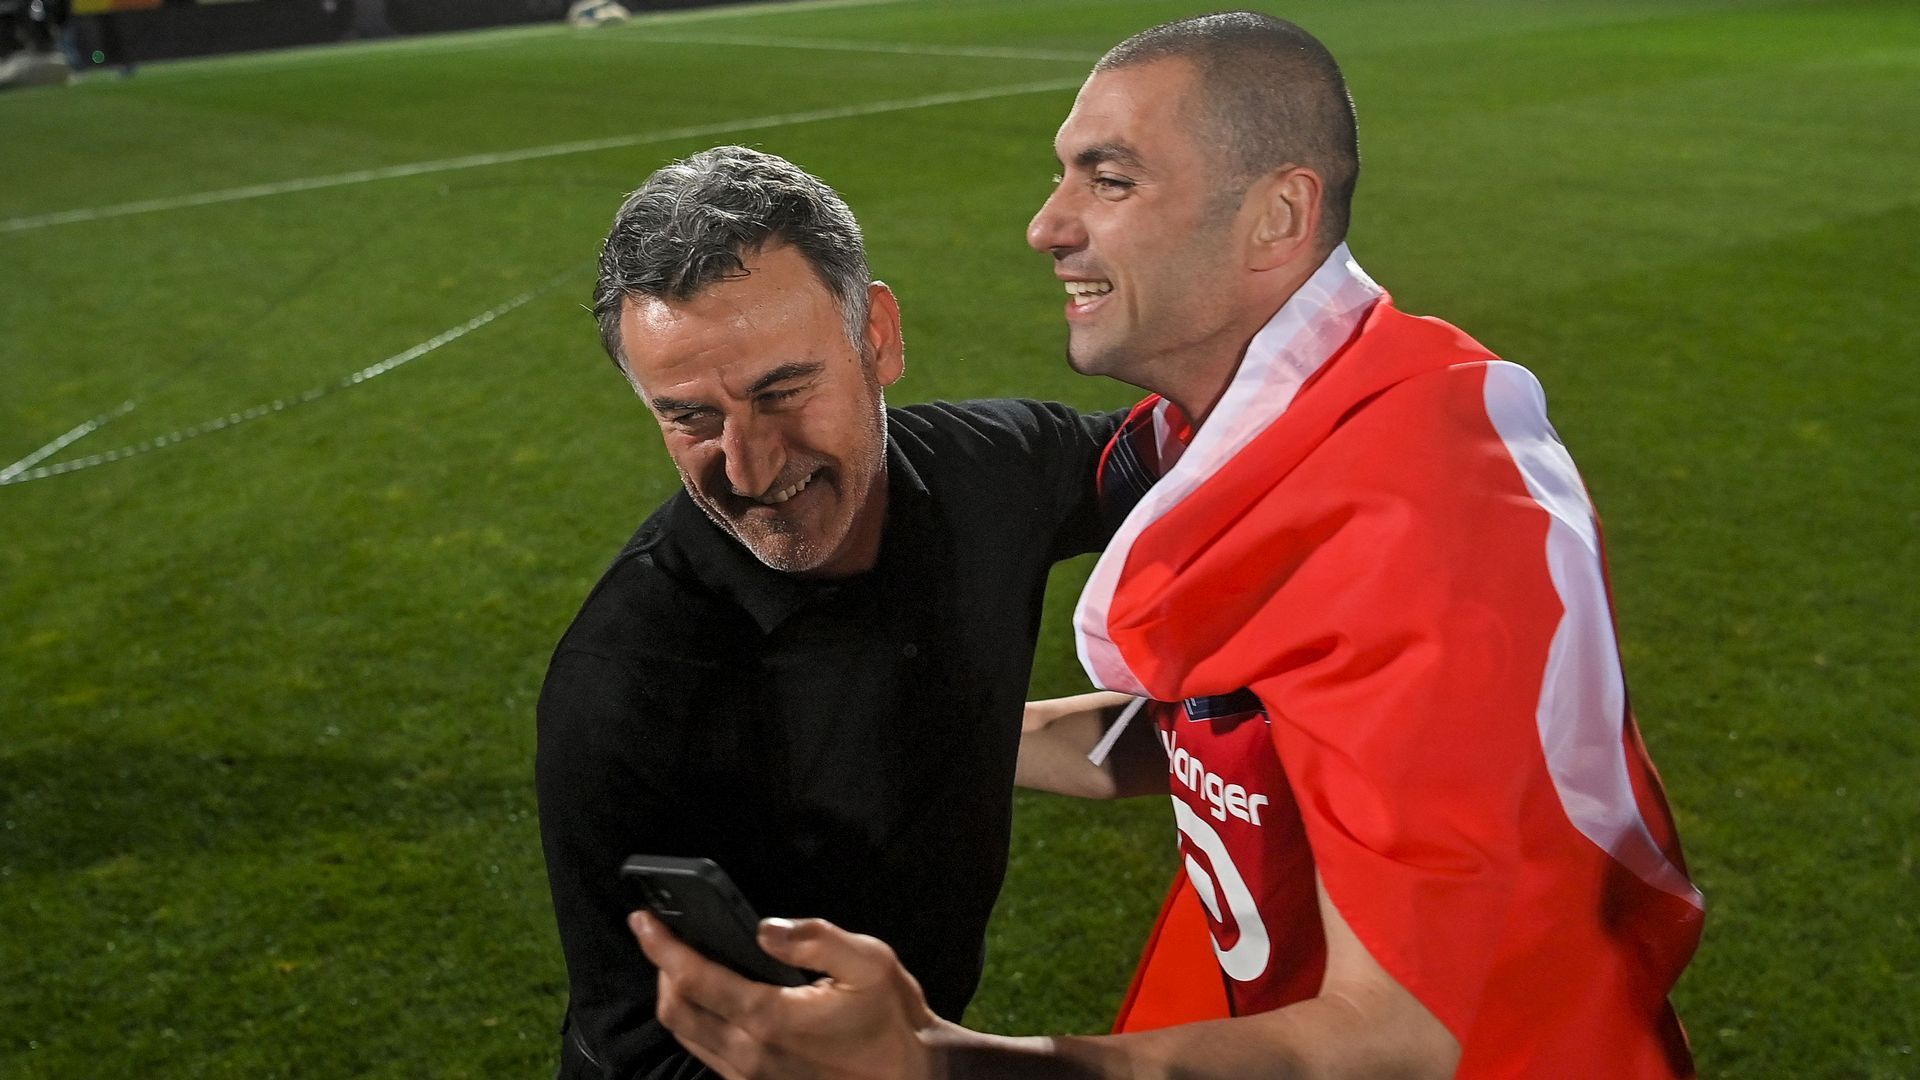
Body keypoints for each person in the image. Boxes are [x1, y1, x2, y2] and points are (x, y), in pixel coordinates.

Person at [630, 12, 1705, 1079]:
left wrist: (940, 1067)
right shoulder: (1282, 413)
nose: (1046, 225)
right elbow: (1248, 731)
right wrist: (905, 729)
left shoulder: (1425, 514)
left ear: (1278, 215)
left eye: (1110, 179)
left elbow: (1404, 1038)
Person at [536, 145, 1126, 1078]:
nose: (752, 467)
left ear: (878, 337)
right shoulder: (630, 689)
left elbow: (1200, 462)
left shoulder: (995, 468)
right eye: (689, 418)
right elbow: (648, 1054)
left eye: (783, 393)